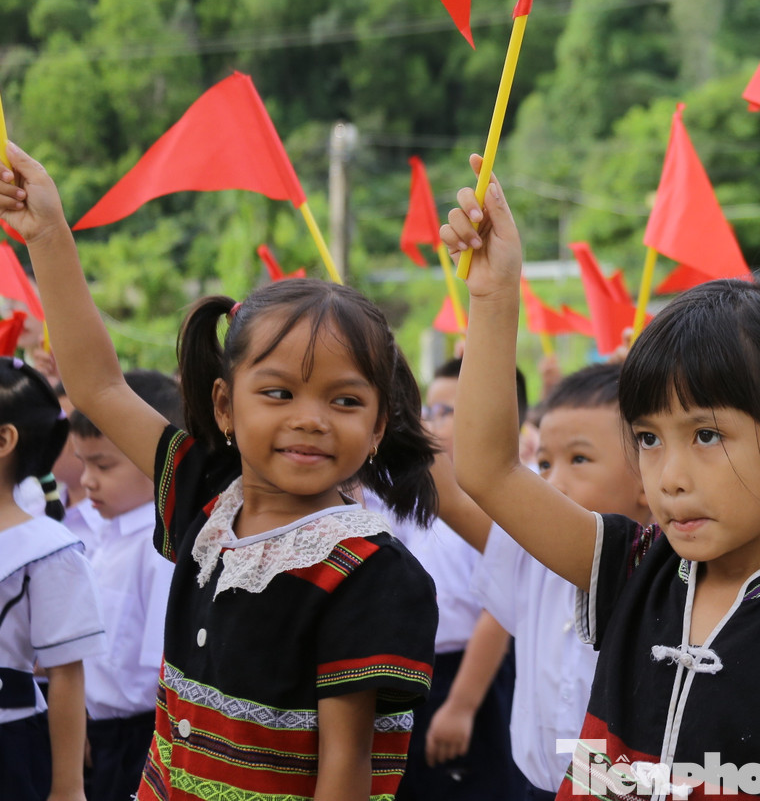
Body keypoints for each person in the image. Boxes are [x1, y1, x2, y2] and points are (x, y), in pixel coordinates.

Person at [442, 160, 760, 801]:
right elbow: (486, 469)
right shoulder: (630, 569)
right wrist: (493, 294)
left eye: (707, 436)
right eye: (648, 439)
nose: (669, 478)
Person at [0, 140, 440, 801]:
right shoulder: (205, 492)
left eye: (345, 400)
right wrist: (50, 232)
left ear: (378, 426)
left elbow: (345, 770)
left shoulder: (372, 572)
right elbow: (96, 384)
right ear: (224, 406)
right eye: (279, 392)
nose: (311, 418)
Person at [436, 362, 650, 799]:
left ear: (650, 476)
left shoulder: (667, 580)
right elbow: (452, 495)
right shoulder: (532, 559)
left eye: (579, 459)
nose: (550, 482)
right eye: (545, 462)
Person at [394, 357, 527, 801]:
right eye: (429, 412)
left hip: (471, 673)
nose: (433, 425)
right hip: (416, 671)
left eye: (449, 412)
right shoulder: (417, 494)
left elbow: (500, 610)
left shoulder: (503, 506)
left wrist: (463, 704)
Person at [69, 371, 180, 801]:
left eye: (103, 465)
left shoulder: (159, 551)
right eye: (83, 463)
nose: (88, 480)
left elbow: (162, 670)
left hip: (141, 734)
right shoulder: (105, 536)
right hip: (99, 727)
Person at [0, 357, 106, 801]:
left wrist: (67, 788)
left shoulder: (49, 548)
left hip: (10, 746)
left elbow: (66, 674)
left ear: (4, 439)